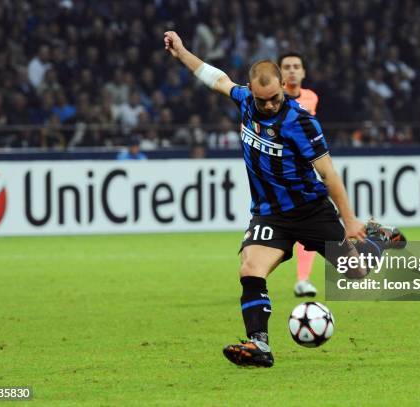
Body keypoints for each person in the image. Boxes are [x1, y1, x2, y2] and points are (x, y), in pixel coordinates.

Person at [164, 31, 405, 368]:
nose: (268, 105)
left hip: (311, 211)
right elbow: (215, 78)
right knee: (250, 269)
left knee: (357, 272)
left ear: (281, 87)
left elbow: (329, 174)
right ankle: (258, 345)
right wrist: (183, 53)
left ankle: (377, 237)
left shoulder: (300, 122)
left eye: (274, 98)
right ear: (252, 90)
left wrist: (349, 220)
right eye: (262, 100)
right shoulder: (245, 100)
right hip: (270, 215)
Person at [279, 52, 321, 298]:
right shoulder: (270, 99)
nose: (292, 71)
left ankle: (303, 280)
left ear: (303, 72)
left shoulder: (311, 98)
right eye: (287, 67)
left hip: (301, 173)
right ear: (279, 72)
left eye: (297, 66)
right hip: (276, 173)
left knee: (309, 224)